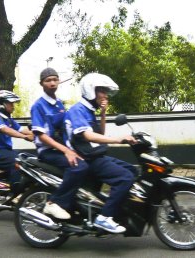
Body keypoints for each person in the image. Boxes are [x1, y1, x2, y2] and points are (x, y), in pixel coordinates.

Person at [64, 72, 138, 234]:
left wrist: (103, 114)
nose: (105, 95)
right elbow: (88, 136)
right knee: (124, 178)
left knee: (133, 170)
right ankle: (104, 217)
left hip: (97, 155)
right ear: (91, 91)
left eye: (105, 91)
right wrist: (119, 140)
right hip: (88, 160)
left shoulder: (89, 111)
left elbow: (100, 135)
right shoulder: (77, 110)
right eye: (102, 90)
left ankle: (114, 207)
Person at [31, 67, 88, 220]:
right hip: (48, 151)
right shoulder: (38, 106)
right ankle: (53, 202)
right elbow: (41, 135)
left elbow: (66, 129)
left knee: (90, 163)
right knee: (79, 166)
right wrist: (67, 151)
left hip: (62, 149)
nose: (52, 83)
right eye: (48, 80)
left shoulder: (59, 104)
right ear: (41, 83)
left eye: (55, 79)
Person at [0, 90, 34, 194]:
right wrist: (24, 137)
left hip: (5, 151)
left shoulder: (8, 119)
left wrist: (39, 134)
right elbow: (7, 130)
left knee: (29, 158)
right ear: (1, 104)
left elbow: (22, 129)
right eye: (10, 103)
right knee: (18, 162)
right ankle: (15, 194)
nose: (13, 106)